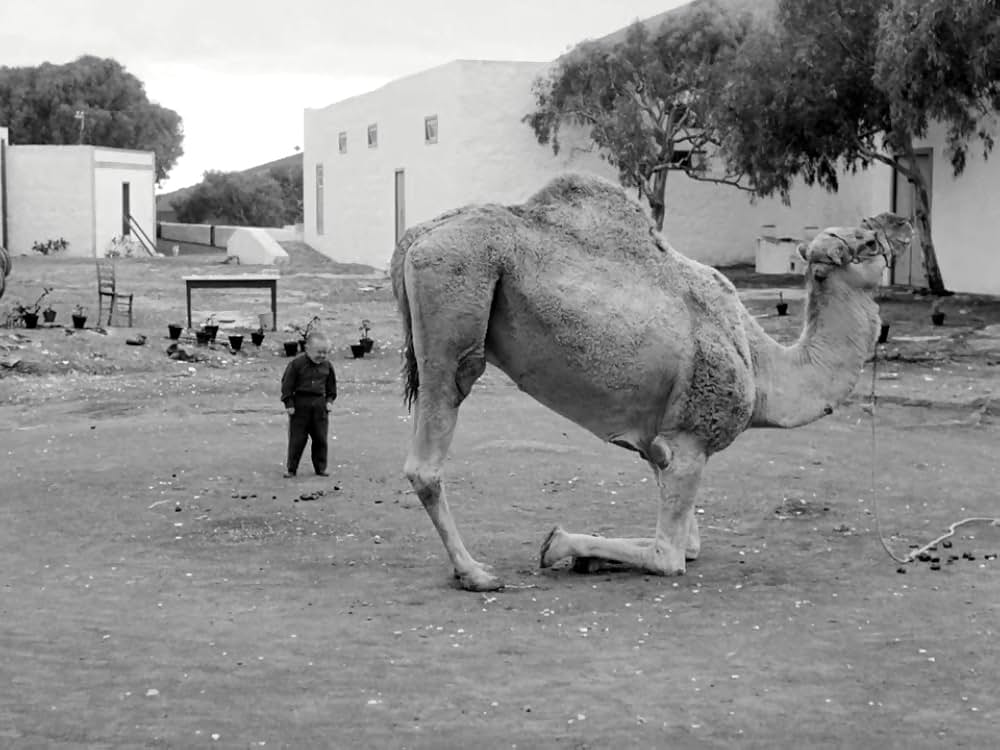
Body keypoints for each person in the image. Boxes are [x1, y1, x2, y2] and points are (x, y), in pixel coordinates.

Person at [280, 331, 337, 477]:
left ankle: (321, 468)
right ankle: (291, 469)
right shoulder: (296, 364)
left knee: (320, 439)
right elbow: (287, 384)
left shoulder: (327, 366)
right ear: (307, 349)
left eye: (325, 353)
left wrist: (329, 401)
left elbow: (331, 386)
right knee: (297, 439)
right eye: (319, 352)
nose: (322, 356)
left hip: (319, 405)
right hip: (300, 405)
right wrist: (289, 403)